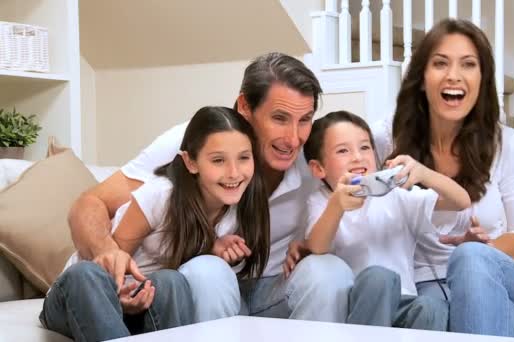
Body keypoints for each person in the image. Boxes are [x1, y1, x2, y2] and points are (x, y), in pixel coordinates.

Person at [67, 52, 354, 323]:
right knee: (209, 271)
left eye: (305, 120)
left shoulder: (315, 156)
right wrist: (108, 255)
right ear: (244, 107)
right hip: (204, 286)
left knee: (330, 272)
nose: (293, 139)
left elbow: (376, 148)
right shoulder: (195, 142)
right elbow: (90, 204)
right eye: (279, 118)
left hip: (274, 288)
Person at [372, 19, 514, 337]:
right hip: (426, 284)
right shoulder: (387, 136)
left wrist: (487, 249)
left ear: (482, 78)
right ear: (422, 77)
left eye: (468, 64)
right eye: (440, 63)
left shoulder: (504, 143)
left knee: (470, 258)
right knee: (443, 309)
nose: (453, 75)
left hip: (498, 274)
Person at [41, 106, 270, 340]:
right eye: (218, 160)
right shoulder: (161, 195)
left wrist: (210, 248)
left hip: (142, 301)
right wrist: (122, 297)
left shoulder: (239, 203)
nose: (234, 172)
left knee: (172, 282)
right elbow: (112, 264)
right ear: (190, 162)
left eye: (243, 158)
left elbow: (177, 255)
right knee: (85, 274)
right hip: (85, 293)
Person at [289, 110, 469, 330]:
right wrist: (336, 206)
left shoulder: (396, 196)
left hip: (403, 303)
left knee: (433, 306)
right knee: (379, 277)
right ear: (318, 169)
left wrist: (424, 174)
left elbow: (461, 201)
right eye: (343, 150)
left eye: (365, 147)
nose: (357, 156)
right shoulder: (322, 201)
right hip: (357, 306)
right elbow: (317, 246)